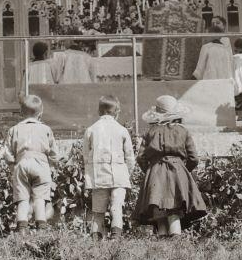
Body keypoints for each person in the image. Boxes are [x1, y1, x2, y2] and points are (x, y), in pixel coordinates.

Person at [132, 96, 208, 237]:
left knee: (159, 211)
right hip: (177, 172)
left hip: (155, 173)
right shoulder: (183, 131)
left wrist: (149, 171)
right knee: (174, 210)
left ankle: (163, 248)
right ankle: (176, 246)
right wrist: (184, 172)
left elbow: (141, 157)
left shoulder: (150, 132)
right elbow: (194, 158)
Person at [80, 96, 134, 242]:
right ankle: (115, 239)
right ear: (117, 112)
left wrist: (90, 173)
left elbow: (85, 155)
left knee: (98, 211)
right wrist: (126, 173)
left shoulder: (91, 130)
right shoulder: (122, 130)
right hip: (119, 176)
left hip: (99, 176)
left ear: (98, 111)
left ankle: (96, 241)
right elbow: (130, 157)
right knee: (116, 208)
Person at [6, 95, 57, 234]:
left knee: (22, 200)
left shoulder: (14, 129)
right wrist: (52, 166)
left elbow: (8, 153)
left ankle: (22, 232)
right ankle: (41, 232)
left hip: (21, 164)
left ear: (21, 113)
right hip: (41, 165)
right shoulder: (46, 129)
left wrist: (13, 168)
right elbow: (53, 153)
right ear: (41, 113)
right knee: (39, 200)